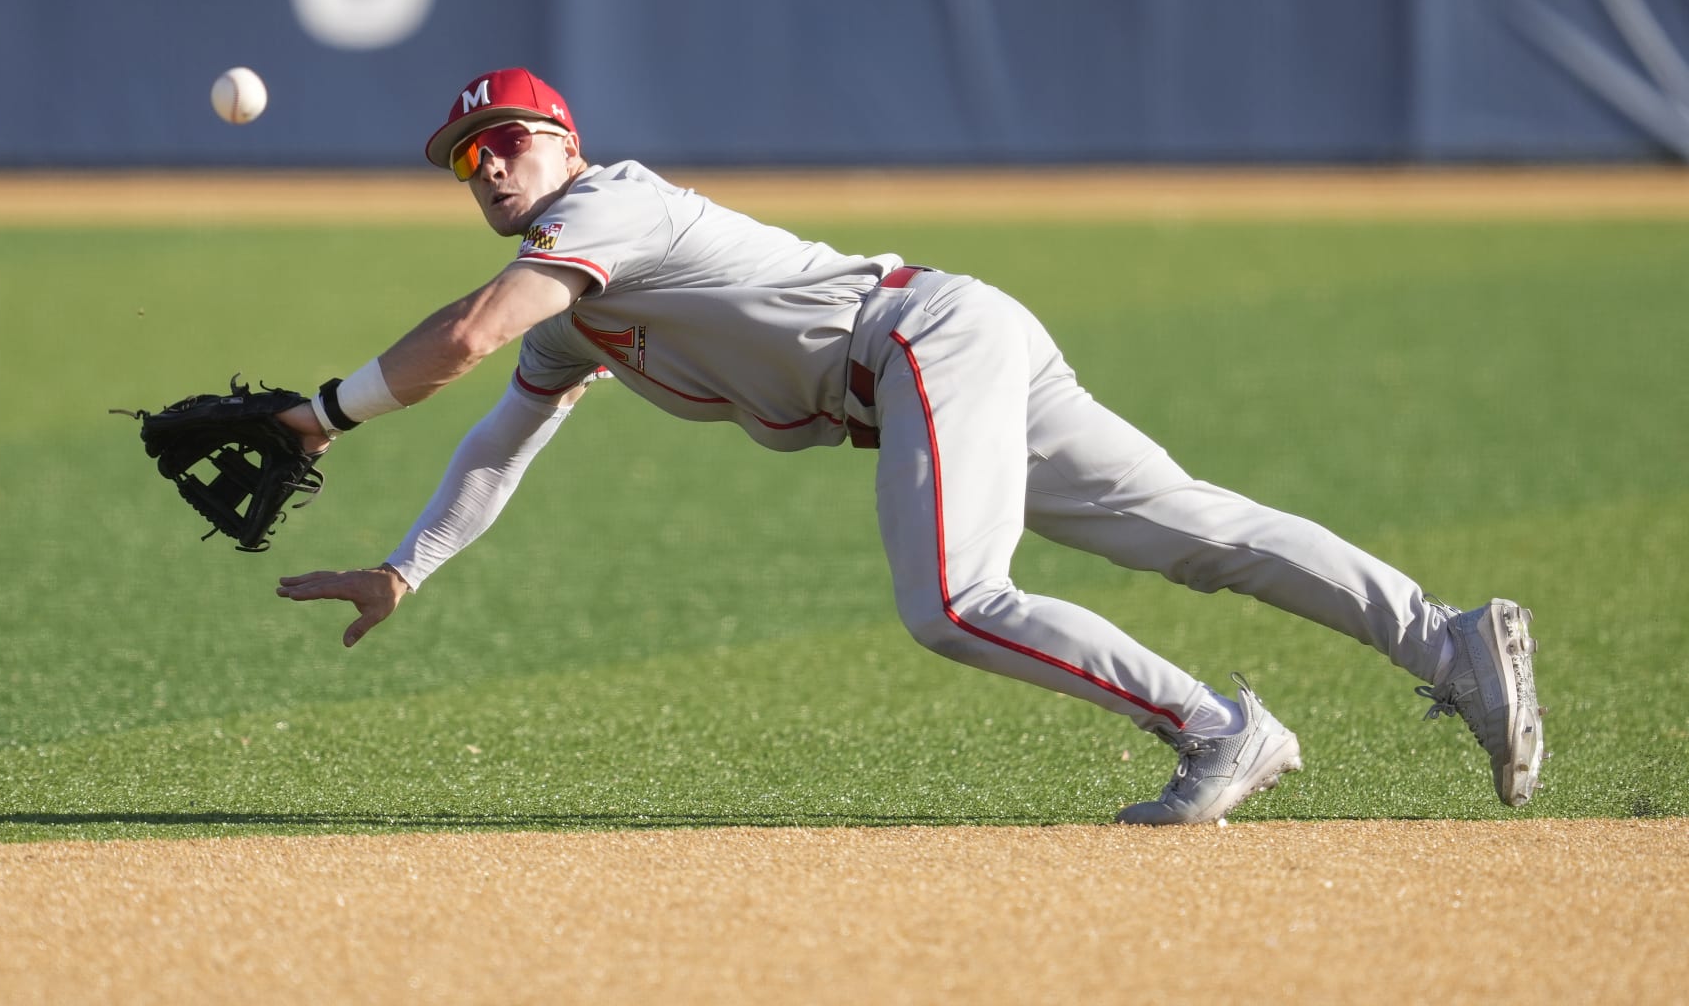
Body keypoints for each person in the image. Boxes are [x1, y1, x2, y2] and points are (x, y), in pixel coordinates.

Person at [273, 68, 1546, 825]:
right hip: (944, 345)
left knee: (951, 602)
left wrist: (322, 414)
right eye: (466, 157)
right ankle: (1446, 639)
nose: (488, 163)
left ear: (567, 144)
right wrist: (409, 566)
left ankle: (1218, 728)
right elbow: (506, 434)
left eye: (506, 137)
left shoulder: (613, 203)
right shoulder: (577, 307)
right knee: (1194, 528)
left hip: (918, 345)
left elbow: (469, 338)